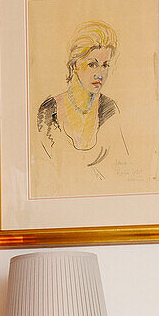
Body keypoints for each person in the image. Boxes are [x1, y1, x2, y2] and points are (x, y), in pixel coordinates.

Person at [36, 20, 129, 193]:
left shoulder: (109, 109)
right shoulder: (49, 111)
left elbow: (121, 167)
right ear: (75, 65)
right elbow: (39, 172)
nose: (99, 74)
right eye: (92, 64)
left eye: (105, 65)